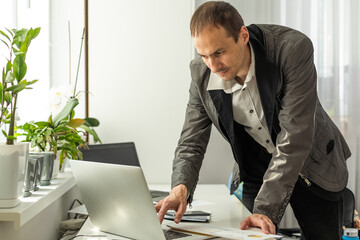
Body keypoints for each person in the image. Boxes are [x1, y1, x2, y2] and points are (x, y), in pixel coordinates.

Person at [155, 1, 351, 239]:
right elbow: (191, 141)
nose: (213, 65)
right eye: (204, 55)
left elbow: (295, 136)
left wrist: (265, 209)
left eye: (219, 52)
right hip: (255, 167)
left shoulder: (292, 49)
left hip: (312, 163)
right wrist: (180, 188)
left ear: (243, 35)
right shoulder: (202, 73)